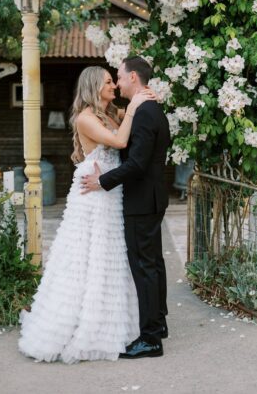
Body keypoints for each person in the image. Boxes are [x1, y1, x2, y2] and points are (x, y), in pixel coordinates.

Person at [18, 66, 154, 363]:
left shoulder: (110, 113)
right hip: (93, 194)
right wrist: (133, 107)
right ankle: (81, 326)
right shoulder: (86, 118)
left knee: (112, 255)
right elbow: (119, 143)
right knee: (87, 258)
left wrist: (141, 101)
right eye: (108, 82)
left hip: (109, 189)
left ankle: (118, 325)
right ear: (94, 86)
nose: (114, 87)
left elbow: (132, 127)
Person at [82, 56, 171, 359]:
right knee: (154, 263)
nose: (117, 82)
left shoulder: (144, 111)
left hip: (142, 200)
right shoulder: (148, 108)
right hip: (152, 197)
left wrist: (103, 181)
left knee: (145, 267)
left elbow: (136, 163)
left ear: (133, 77)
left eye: (118, 77)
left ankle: (150, 339)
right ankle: (158, 325)